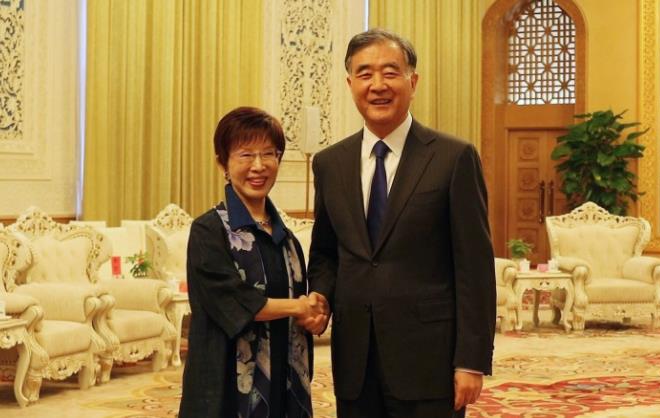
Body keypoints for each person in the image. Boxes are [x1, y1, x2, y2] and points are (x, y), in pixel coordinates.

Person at [307, 29, 496, 418]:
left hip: (429, 361)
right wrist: (321, 296)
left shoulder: (453, 157)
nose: (377, 85)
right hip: (355, 360)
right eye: (365, 74)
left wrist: (471, 360)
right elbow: (326, 251)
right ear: (350, 83)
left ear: (413, 81)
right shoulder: (330, 164)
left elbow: (474, 268)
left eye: (390, 72)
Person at [179, 106, 327, 418]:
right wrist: (299, 307)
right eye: (245, 155)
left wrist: (315, 314)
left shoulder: (287, 238)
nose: (258, 166)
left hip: (285, 385)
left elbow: (301, 305)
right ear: (223, 163)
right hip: (225, 389)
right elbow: (235, 303)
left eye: (268, 154)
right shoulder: (209, 230)